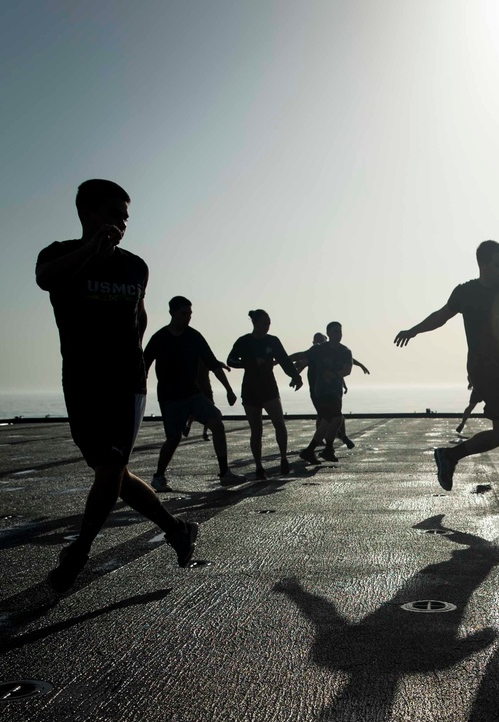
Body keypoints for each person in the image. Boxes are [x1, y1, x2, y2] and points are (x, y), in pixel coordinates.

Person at [35, 179, 200, 592]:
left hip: (125, 383)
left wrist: (138, 363)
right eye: (113, 215)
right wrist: (90, 251)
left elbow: (140, 316)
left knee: (110, 468)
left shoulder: (135, 265)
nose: (121, 225)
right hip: (80, 382)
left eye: (125, 218)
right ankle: (177, 529)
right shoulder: (59, 255)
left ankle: (78, 552)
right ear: (87, 213)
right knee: (114, 474)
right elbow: (44, 279)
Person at [395, 240, 499, 515]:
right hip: (483, 369)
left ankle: (450, 455)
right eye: (498, 264)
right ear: (483, 264)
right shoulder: (466, 292)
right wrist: (414, 330)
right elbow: (441, 316)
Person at [144, 296, 244, 490]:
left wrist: (229, 390)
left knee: (217, 423)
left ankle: (225, 473)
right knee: (173, 438)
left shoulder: (194, 336)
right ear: (172, 313)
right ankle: (158, 476)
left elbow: (213, 363)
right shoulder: (160, 338)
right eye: (184, 313)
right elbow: (143, 365)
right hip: (170, 396)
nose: (188, 317)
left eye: (190, 313)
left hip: (193, 393)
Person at [227, 309, 302, 479]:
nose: (267, 326)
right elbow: (230, 360)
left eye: (269, 323)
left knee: (279, 423)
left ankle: (283, 458)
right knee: (256, 430)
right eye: (264, 323)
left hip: (269, 388)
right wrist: (250, 362)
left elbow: (284, 360)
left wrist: (296, 376)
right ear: (255, 323)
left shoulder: (273, 341)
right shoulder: (244, 341)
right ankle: (259, 466)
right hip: (250, 389)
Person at [292, 322, 353, 463]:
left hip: (336, 391)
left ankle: (311, 451)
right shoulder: (319, 349)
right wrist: (282, 359)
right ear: (329, 334)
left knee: (327, 421)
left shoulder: (345, 351)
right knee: (336, 418)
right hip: (322, 392)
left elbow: (347, 369)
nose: (338, 334)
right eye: (335, 332)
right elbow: (302, 357)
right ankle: (327, 449)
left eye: (340, 332)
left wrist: (335, 375)